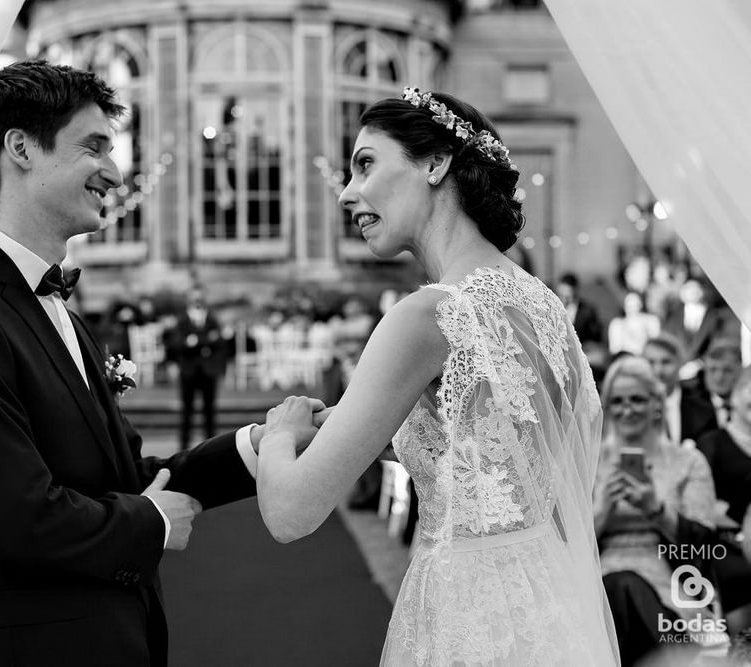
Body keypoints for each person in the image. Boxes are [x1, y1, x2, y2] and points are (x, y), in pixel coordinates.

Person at [0, 61, 318, 667]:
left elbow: (120, 475)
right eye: (93, 147)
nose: (116, 173)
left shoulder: (64, 314)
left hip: (118, 636)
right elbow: (20, 517)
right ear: (20, 148)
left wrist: (265, 442)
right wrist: (150, 521)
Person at [253, 88, 618, 664]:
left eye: (366, 163)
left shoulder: (426, 315)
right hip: (550, 604)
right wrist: (363, 431)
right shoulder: (542, 304)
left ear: (434, 163)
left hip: (468, 610)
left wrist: (280, 432)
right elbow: (506, 457)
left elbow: (291, 513)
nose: (348, 194)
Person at [594, 356, 717, 665]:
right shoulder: (589, 462)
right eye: (617, 401)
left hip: (671, 593)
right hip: (598, 589)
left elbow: (706, 548)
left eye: (637, 399)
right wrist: (601, 511)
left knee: (626, 588)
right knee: (620, 586)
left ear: (657, 403)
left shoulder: (688, 461)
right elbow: (564, 548)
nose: (627, 409)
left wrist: (656, 510)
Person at [696, 363, 751, 632]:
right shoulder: (711, 443)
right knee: (738, 576)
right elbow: (702, 503)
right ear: (735, 395)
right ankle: (741, 649)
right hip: (726, 543)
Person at [163, 287, 230, 450]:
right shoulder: (182, 321)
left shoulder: (213, 320)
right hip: (188, 370)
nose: (197, 301)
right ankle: (184, 449)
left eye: (200, 297)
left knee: (210, 411)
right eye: (194, 298)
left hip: (209, 370)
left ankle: (212, 448)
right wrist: (206, 341)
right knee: (187, 412)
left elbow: (221, 343)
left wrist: (194, 341)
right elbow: (176, 343)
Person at [642, 334, 718, 443]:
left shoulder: (703, 409)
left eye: (666, 362)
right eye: (651, 362)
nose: (658, 371)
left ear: (680, 363)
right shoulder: (630, 408)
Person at [608, 291, 660, 356]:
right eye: (629, 305)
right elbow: (614, 349)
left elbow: (656, 344)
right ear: (624, 307)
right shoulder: (617, 325)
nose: (632, 308)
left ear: (640, 305)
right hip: (625, 359)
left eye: (635, 305)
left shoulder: (651, 320)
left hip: (646, 358)